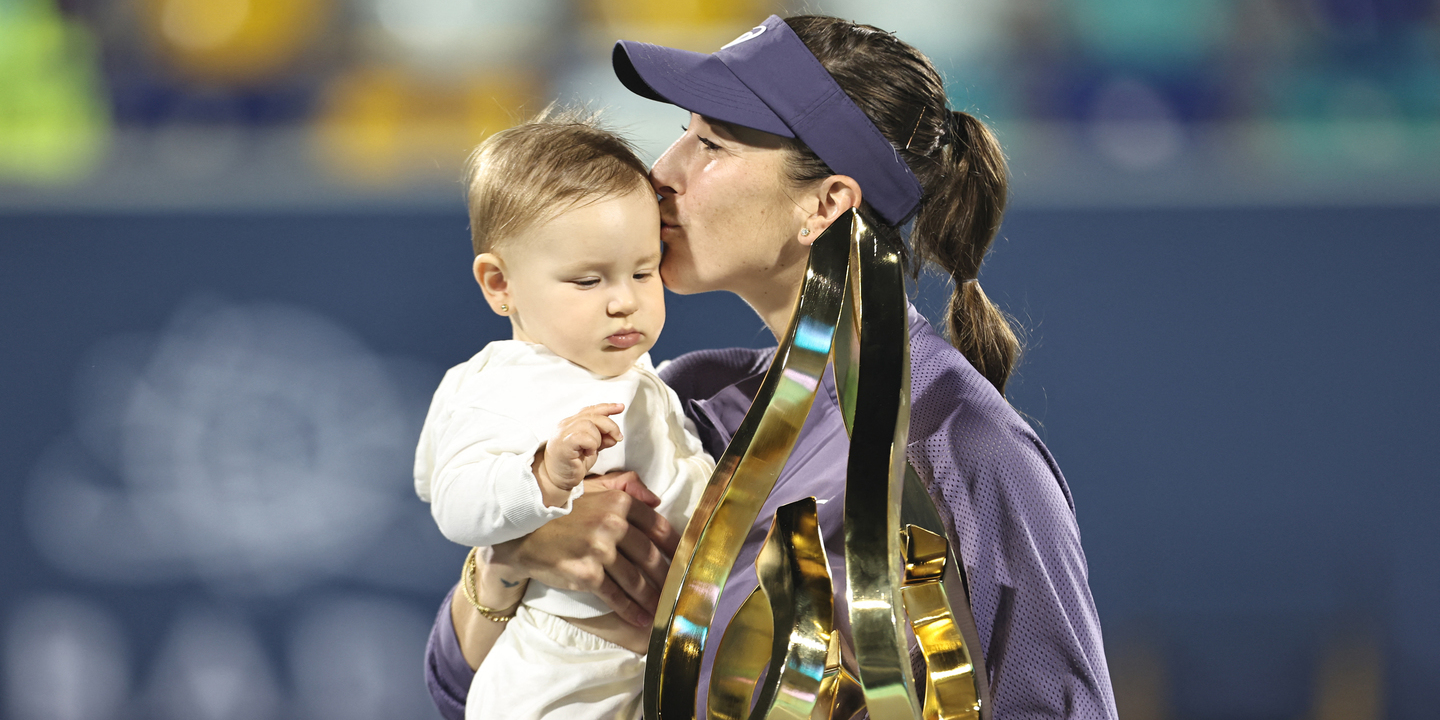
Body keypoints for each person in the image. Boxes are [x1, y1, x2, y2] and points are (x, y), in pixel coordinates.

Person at [426, 15, 1118, 719]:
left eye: (710, 144)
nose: (661, 172)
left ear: (825, 204)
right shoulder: (689, 399)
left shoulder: (960, 441)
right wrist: (510, 561)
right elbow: (456, 688)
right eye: (683, 132)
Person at [413, 108, 714, 720]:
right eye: (587, 281)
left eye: (643, 269)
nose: (624, 301)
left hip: (652, 655)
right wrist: (543, 477)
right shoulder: (502, 385)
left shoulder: (628, 368)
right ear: (500, 285)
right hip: (564, 662)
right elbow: (450, 497)